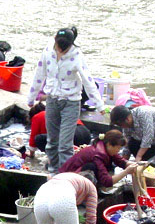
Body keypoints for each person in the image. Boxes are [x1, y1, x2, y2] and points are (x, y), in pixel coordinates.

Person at [27, 27, 104, 172]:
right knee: (52, 141)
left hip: (71, 102)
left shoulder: (77, 55)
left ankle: (66, 173)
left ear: (71, 45)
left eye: (64, 49)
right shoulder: (47, 52)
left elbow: (88, 80)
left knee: (65, 144)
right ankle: (54, 170)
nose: (60, 52)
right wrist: (31, 97)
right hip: (52, 100)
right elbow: (39, 74)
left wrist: (100, 105)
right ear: (55, 42)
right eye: (58, 48)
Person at [58, 130, 138, 187]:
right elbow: (107, 181)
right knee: (92, 167)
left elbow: (119, 161)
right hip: (68, 179)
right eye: (118, 148)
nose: (118, 151)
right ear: (110, 144)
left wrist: (131, 164)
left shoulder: (104, 146)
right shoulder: (98, 155)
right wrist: (126, 172)